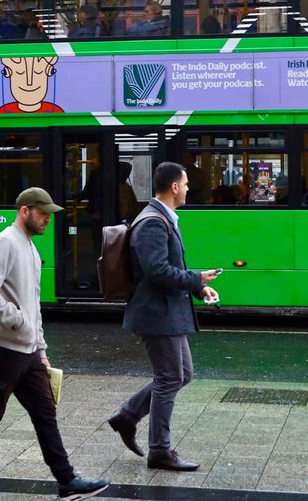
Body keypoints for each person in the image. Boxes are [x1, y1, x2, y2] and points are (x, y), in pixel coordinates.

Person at [0, 187, 110, 501]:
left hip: (28, 352)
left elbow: (33, 305)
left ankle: (66, 481)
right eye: (43, 213)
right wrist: (16, 320)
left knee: (45, 413)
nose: (48, 219)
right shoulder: (5, 242)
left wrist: (41, 348)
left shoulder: (31, 249)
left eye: (49, 214)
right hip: (4, 349)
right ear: (25, 210)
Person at [106, 162, 220, 472]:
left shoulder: (164, 218)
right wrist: (196, 279)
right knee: (170, 378)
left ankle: (127, 416)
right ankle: (159, 451)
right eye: (184, 184)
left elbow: (169, 268)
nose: (186, 188)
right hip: (157, 314)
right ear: (173, 187)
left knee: (181, 374)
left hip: (167, 311)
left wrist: (199, 288)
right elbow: (156, 271)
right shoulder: (153, 222)